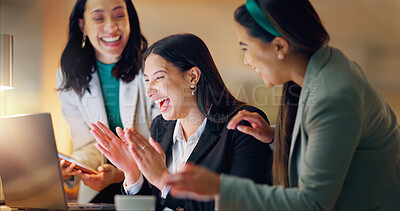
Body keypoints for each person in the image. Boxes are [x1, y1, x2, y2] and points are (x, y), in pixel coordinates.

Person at [164, 0, 400, 210]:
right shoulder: (328, 64)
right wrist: (276, 136)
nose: (247, 61)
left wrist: (220, 187)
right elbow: (334, 140)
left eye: (246, 48)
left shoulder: (334, 96)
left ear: (279, 47)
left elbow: (312, 203)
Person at [90, 33, 273, 211]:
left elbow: (242, 205)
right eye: (147, 81)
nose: (149, 91)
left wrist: (163, 179)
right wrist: (133, 173)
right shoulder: (160, 127)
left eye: (159, 77)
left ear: (192, 77)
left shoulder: (242, 125)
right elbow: (156, 204)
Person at [56, 0, 158, 203]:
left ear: (130, 20)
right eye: (98, 18)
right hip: (99, 194)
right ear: (82, 25)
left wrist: (124, 172)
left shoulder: (153, 67)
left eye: (119, 15)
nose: (111, 27)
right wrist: (74, 167)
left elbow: (164, 144)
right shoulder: (68, 76)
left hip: (149, 186)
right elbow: (87, 145)